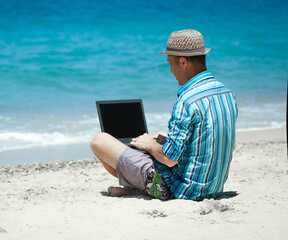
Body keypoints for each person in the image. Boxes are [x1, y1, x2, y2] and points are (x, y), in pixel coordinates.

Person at [90, 29, 238, 201]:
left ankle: (140, 189)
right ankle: (135, 187)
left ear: (183, 63)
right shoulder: (226, 93)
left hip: (181, 190)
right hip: (213, 187)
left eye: (170, 64)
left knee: (99, 141)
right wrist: (162, 139)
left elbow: (169, 160)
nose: (171, 71)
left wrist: (149, 145)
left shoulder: (187, 101)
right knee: (161, 136)